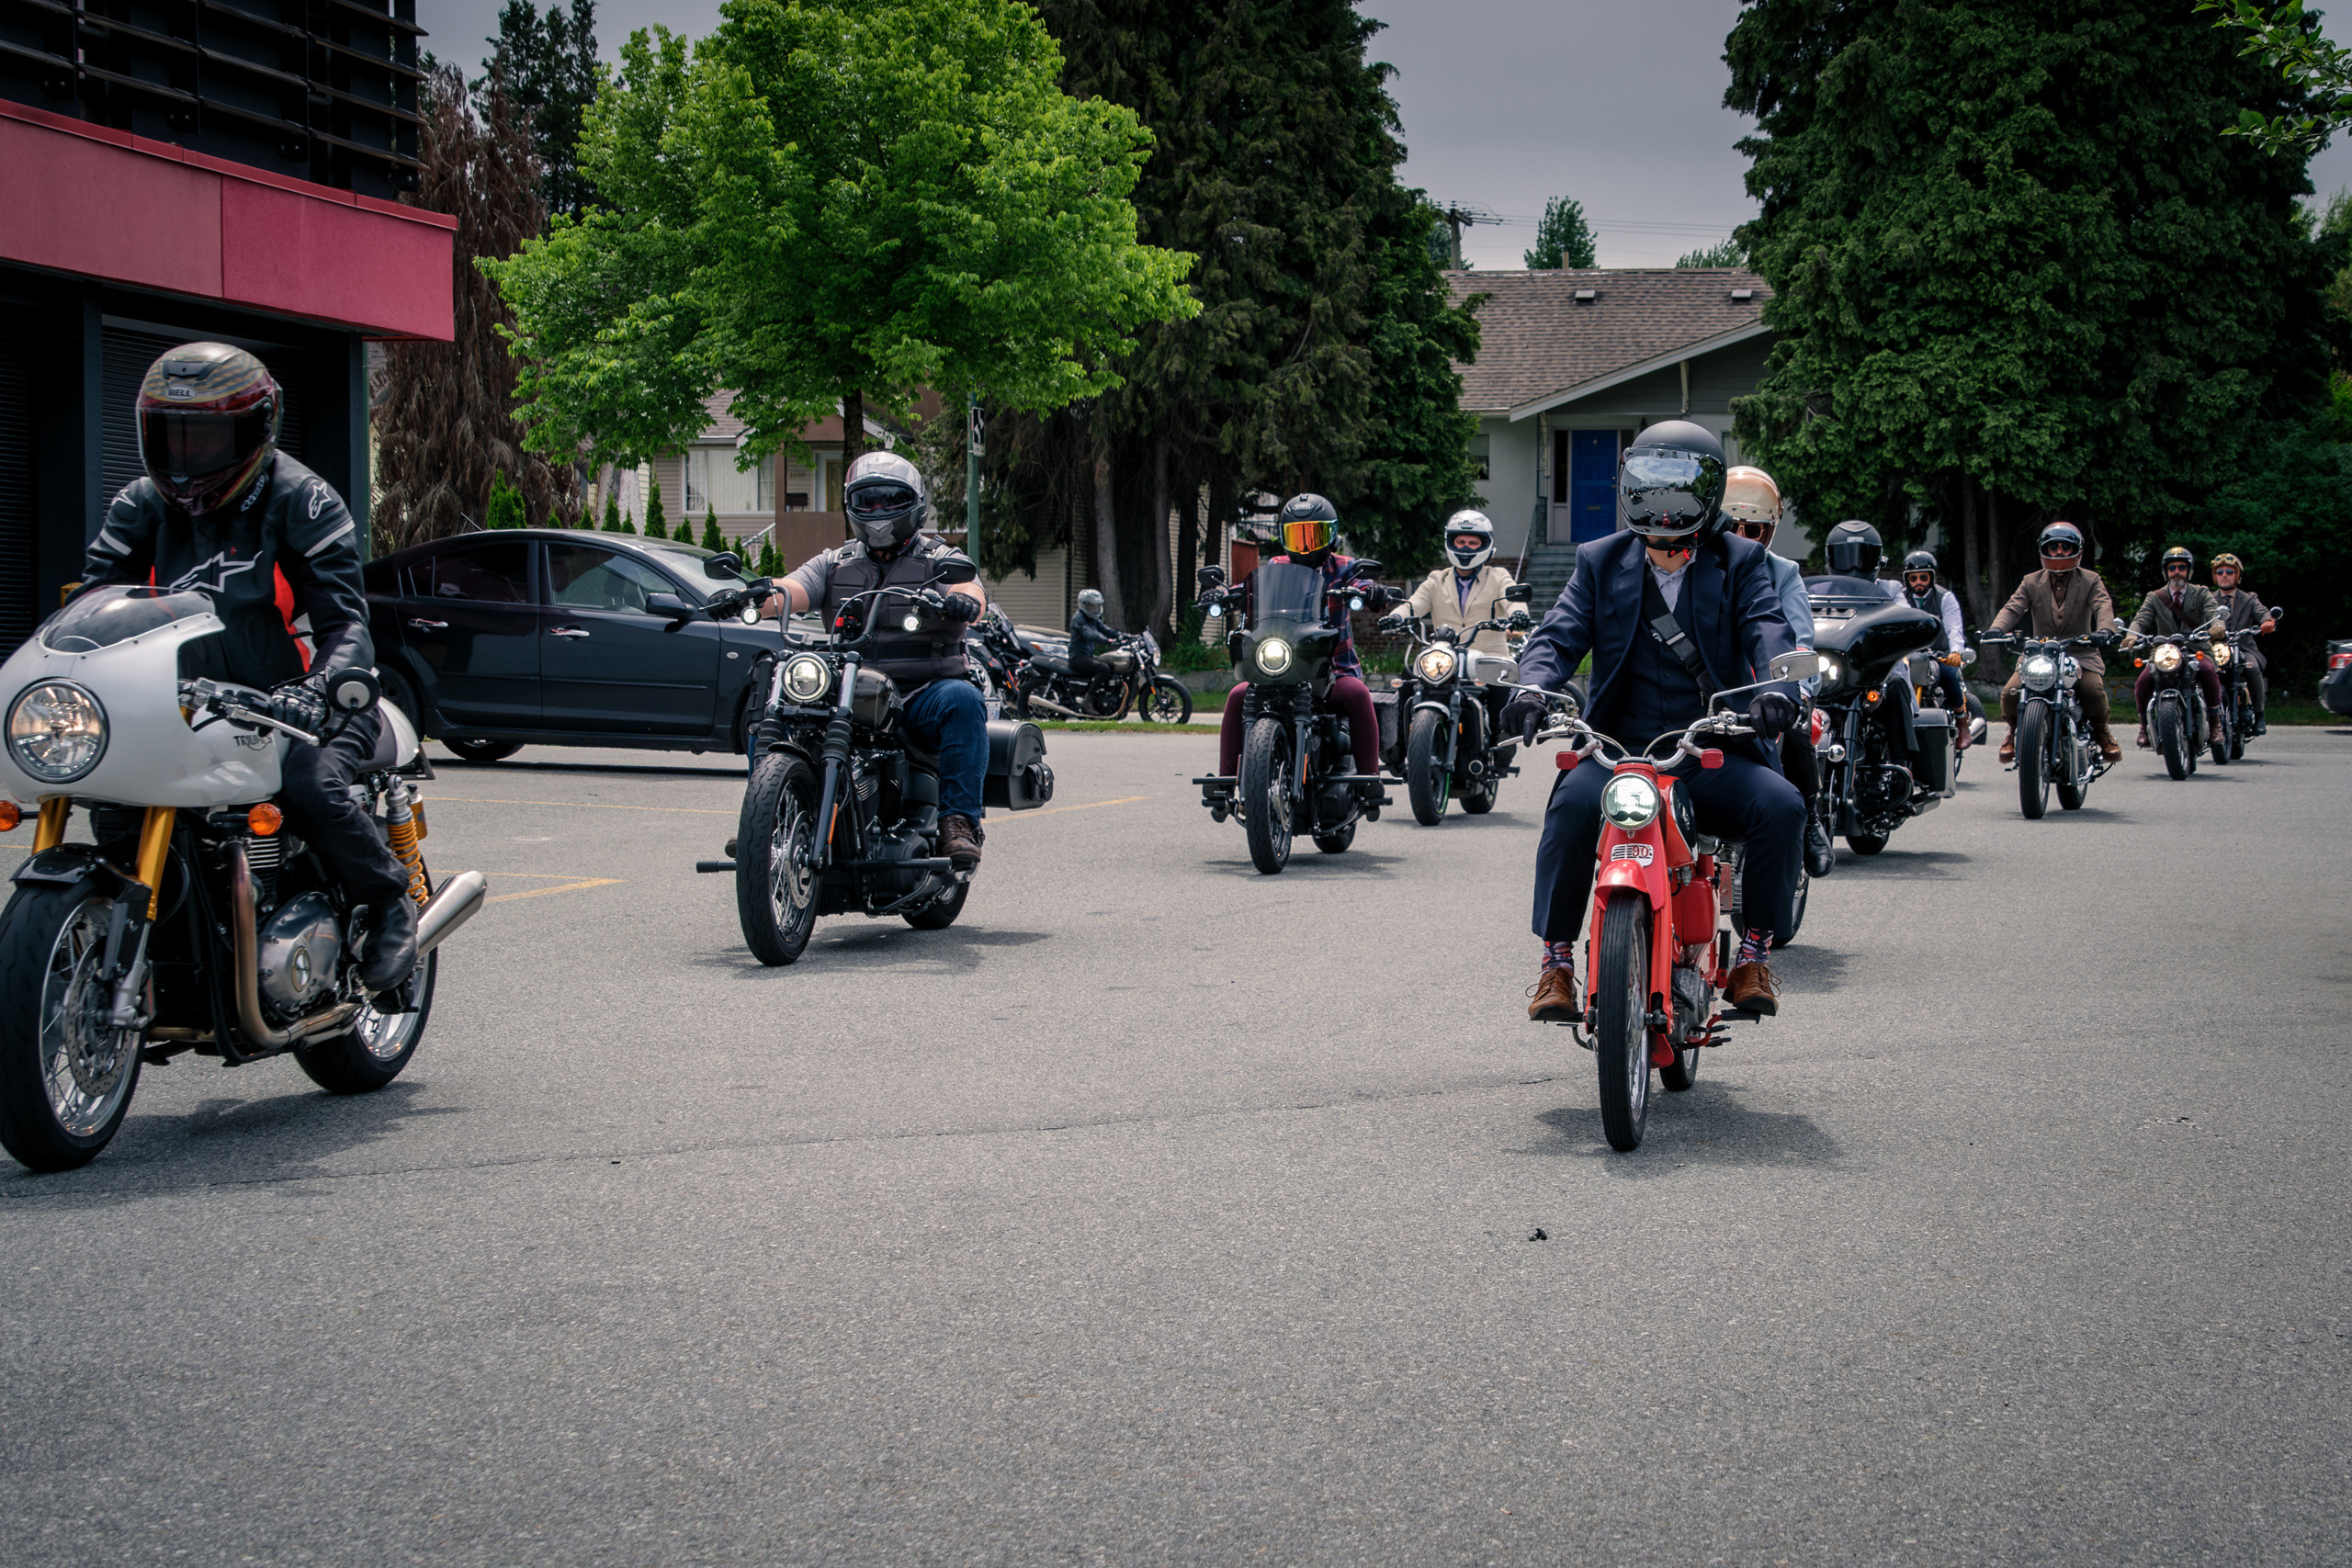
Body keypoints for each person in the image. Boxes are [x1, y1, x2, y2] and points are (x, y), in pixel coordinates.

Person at [80, 342, 417, 994]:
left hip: (299, 701)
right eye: (171, 437)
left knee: (313, 787)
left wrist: (319, 688)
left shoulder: (303, 500)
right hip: (183, 705)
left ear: (256, 431)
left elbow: (345, 620)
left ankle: (388, 902)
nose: (185, 457)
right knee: (116, 805)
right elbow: (96, 606)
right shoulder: (139, 506)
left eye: (205, 439)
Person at [1499, 421, 1804, 1021]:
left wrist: (1779, 687)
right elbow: (1557, 638)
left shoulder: (1739, 561)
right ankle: (1556, 963)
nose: (1665, 509)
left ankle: (1753, 953)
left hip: (1714, 750)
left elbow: (1769, 630)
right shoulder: (1599, 560)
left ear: (1708, 494)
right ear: (1631, 491)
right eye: (1651, 490)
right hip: (1622, 753)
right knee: (1566, 809)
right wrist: (1532, 687)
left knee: (1783, 805)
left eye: (1680, 492)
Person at [763, 452, 990, 871]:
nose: (879, 511)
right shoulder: (834, 562)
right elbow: (792, 587)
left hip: (922, 692)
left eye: (890, 499)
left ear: (915, 504)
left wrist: (964, 600)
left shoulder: (940, 558)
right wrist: (755, 595)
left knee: (963, 700)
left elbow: (973, 593)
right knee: (773, 687)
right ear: (852, 505)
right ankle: (767, 817)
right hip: (854, 692)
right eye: (868, 501)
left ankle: (958, 822)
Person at [1211, 492, 1390, 781]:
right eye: (1297, 537)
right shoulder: (1277, 567)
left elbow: (1363, 583)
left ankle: (1370, 779)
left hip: (1332, 670)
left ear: (1331, 536)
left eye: (1314, 536)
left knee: (1358, 694)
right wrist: (1223, 594)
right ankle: (1224, 782)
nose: (1305, 546)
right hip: (1282, 668)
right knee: (1237, 696)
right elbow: (1249, 591)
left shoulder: (1344, 567)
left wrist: (1373, 593)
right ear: (1284, 538)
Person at [1720, 466, 1835, 879]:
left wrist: (1793, 688)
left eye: (1755, 530)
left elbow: (1799, 639)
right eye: (1734, 526)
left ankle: (1810, 820)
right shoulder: (1695, 565)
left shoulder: (1783, 572)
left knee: (1797, 723)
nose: (1744, 538)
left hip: (1765, 688)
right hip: (1712, 690)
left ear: (1769, 532)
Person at [1988, 521, 2123, 763]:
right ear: (2044, 550)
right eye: (2053, 547)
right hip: (2039, 655)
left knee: (2093, 690)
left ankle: (2101, 730)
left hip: (2080, 651)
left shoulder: (2091, 580)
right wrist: (1996, 629)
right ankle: (2014, 730)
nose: (2059, 552)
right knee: (2010, 692)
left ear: (2077, 550)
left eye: (2065, 546)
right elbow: (2013, 608)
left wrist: (2104, 630)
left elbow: (2103, 605)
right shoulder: (2031, 581)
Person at [2123, 546, 2228, 752]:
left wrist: (2217, 627)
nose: (2177, 571)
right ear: (2166, 572)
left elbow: (2212, 611)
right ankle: (2144, 726)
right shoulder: (2154, 597)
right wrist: (2132, 634)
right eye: (2172, 568)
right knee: (2143, 681)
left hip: (2196, 648)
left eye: (2182, 567)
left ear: (2189, 571)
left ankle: (2215, 723)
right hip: (2166, 652)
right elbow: (2141, 618)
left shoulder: (2201, 592)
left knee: (2208, 671)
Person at [1381, 510, 1520, 655]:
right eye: (1460, 542)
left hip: (1491, 659)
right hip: (1445, 659)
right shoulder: (1436, 579)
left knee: (1506, 676)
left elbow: (1513, 600)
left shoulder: (1499, 576)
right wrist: (1395, 617)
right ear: (1451, 543)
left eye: (1472, 543)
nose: (1465, 547)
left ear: (1484, 545)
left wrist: (1518, 614)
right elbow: (1413, 605)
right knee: (1409, 676)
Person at [1901, 549, 1972, 748]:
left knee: (1949, 675)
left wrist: (1955, 652)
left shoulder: (1945, 598)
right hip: (1909, 657)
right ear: (1907, 580)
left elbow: (1954, 628)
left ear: (1932, 577)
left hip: (1939, 656)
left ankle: (1962, 723)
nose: (1918, 583)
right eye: (1913, 578)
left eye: (1923, 577)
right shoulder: (1900, 598)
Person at [2208, 553, 2277, 734]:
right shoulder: (2207, 599)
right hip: (2216, 650)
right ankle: (2199, 714)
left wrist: (2267, 621)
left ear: (2237, 575)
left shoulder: (2249, 599)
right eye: (2220, 572)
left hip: (2244, 648)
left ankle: (2259, 714)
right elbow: (2196, 618)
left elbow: (2262, 612)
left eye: (2229, 572)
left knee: (2252, 667)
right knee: (2200, 669)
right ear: (2215, 576)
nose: (2224, 575)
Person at [1068, 588, 1120, 682]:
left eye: (1097, 606)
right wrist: (1106, 640)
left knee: (1111, 664)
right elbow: (1090, 634)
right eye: (1092, 606)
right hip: (1077, 658)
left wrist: (1123, 636)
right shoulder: (1079, 619)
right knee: (1104, 668)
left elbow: (1106, 630)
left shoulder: (1092, 619)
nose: (1096, 609)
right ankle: (1090, 695)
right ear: (1084, 605)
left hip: (1088, 656)